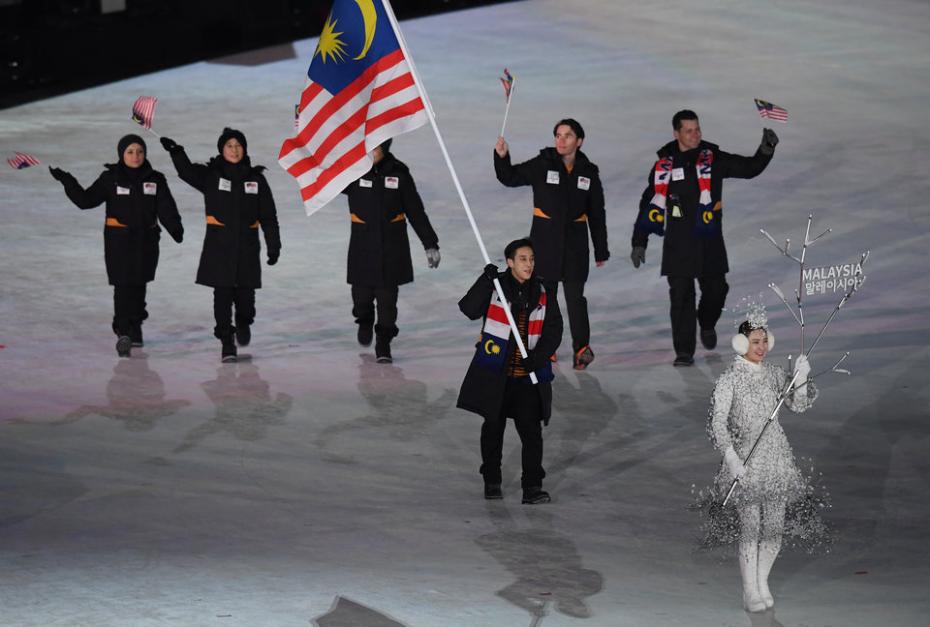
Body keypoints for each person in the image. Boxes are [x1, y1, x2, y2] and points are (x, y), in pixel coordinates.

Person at [630, 110, 778, 366]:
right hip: (678, 241)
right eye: (689, 130)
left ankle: (707, 322)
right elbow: (649, 204)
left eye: (697, 129)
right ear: (676, 133)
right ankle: (684, 352)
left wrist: (765, 149)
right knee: (681, 297)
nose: (695, 134)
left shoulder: (713, 158)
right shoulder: (664, 165)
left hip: (708, 240)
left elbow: (748, 168)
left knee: (717, 290)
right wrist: (639, 241)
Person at [704, 308, 827, 612]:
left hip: (776, 458)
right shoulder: (730, 379)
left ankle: (762, 583)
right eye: (754, 341)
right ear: (741, 344)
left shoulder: (773, 373)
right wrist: (731, 458)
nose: (761, 347)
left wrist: (801, 377)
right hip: (747, 459)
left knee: (774, 526)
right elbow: (717, 423)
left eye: (764, 341)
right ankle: (749, 591)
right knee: (750, 526)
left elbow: (798, 406)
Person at [49, 134, 183, 357]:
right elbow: (85, 201)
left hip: (146, 242)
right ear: (122, 154)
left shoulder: (155, 179)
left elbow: (166, 207)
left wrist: (175, 228)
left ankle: (136, 324)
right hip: (119, 242)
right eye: (130, 152)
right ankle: (123, 331)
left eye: (139, 151)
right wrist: (67, 180)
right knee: (123, 286)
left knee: (139, 284)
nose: (135, 156)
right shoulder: (110, 178)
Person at [494, 119, 608, 370]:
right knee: (548, 297)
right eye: (558, 135)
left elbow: (597, 213)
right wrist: (502, 156)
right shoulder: (542, 164)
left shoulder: (588, 172)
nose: (561, 140)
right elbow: (509, 177)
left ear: (579, 141)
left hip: (576, 245)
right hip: (545, 243)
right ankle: (549, 347)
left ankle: (582, 348)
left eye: (567, 135)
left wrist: (601, 249)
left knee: (576, 298)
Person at [159, 129, 281, 362]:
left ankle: (244, 322)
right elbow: (186, 172)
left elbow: (268, 216)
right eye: (229, 146)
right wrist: (176, 152)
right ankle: (227, 340)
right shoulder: (211, 176)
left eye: (238, 145)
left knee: (245, 300)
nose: (234, 150)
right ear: (221, 150)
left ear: (244, 149)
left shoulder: (256, 179)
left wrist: (273, 245)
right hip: (219, 246)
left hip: (247, 247)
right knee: (222, 295)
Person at [456, 238, 563, 504]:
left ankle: (532, 487)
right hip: (497, 374)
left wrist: (537, 359)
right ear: (510, 262)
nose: (529, 264)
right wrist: (485, 280)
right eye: (523, 259)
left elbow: (554, 329)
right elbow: (469, 309)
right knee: (493, 429)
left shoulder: (543, 290)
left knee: (532, 433)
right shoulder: (496, 286)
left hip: (527, 376)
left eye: (532, 259)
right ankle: (492, 481)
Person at [341, 138, 440, 363]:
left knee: (387, 304)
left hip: (392, 250)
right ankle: (364, 320)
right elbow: (326, 178)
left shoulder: (400, 175)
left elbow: (416, 211)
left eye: (374, 148)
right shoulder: (353, 172)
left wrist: (430, 244)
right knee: (361, 300)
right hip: (362, 249)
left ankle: (383, 343)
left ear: (384, 149)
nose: (369, 152)